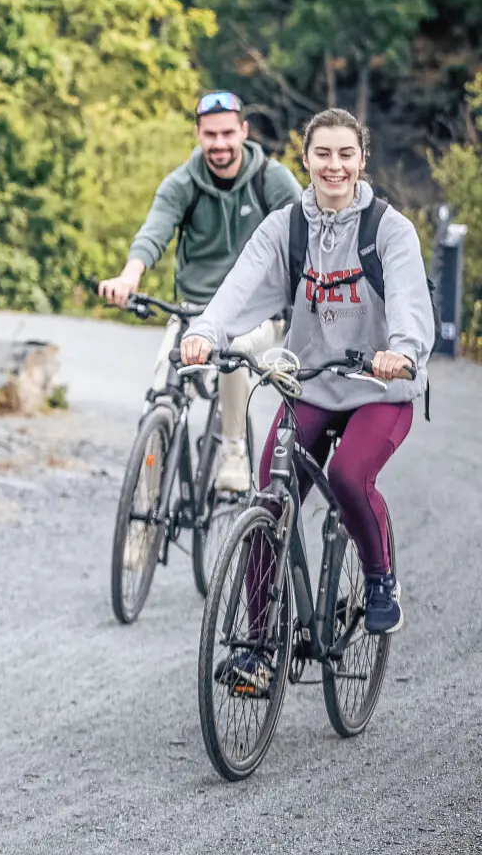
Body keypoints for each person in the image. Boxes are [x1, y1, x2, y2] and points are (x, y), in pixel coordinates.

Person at [181, 108, 431, 673]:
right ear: (306, 158)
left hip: (379, 389)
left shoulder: (389, 229)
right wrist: (204, 332)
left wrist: (405, 351)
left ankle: (379, 578)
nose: (334, 165)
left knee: (348, 476)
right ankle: (256, 646)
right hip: (313, 384)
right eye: (323, 154)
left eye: (346, 154)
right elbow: (239, 288)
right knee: (269, 499)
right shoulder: (287, 226)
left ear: (362, 160)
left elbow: (412, 303)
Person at [98, 90, 302, 493]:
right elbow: (153, 232)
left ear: (244, 131)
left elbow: (307, 236)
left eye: (228, 133)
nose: (220, 144)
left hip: (256, 315)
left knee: (235, 351)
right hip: (194, 312)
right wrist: (128, 277)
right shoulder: (183, 183)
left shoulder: (271, 179)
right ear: (198, 134)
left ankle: (233, 450)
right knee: (160, 394)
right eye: (211, 134)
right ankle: (146, 511)